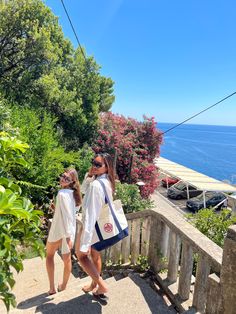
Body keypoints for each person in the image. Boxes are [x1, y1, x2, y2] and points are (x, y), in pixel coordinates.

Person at [75, 153, 116, 298]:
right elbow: (84, 190)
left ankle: (102, 286)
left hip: (91, 227)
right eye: (94, 162)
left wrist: (85, 242)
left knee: (81, 256)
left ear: (107, 168)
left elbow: (91, 214)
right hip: (100, 226)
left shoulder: (97, 185)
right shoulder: (107, 181)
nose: (94, 166)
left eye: (98, 165)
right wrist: (90, 175)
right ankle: (94, 285)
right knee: (95, 255)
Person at [46, 168, 82, 295]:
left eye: (67, 178)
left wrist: (67, 237)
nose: (63, 179)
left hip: (59, 229)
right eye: (63, 176)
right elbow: (73, 212)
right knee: (67, 259)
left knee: (49, 255)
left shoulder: (61, 194)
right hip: (69, 230)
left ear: (72, 181)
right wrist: (70, 235)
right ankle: (63, 286)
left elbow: (66, 215)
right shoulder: (74, 194)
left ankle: (52, 288)